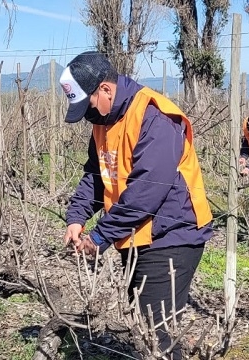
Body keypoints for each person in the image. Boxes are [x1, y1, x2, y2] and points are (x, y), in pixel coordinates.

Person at [59, 51, 213, 359]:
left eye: (87, 104)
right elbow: (97, 173)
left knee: (156, 336)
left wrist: (100, 237)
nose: (87, 114)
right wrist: (76, 217)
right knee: (147, 330)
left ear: (106, 88)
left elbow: (145, 193)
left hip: (172, 234)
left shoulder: (153, 116)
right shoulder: (103, 120)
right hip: (134, 234)